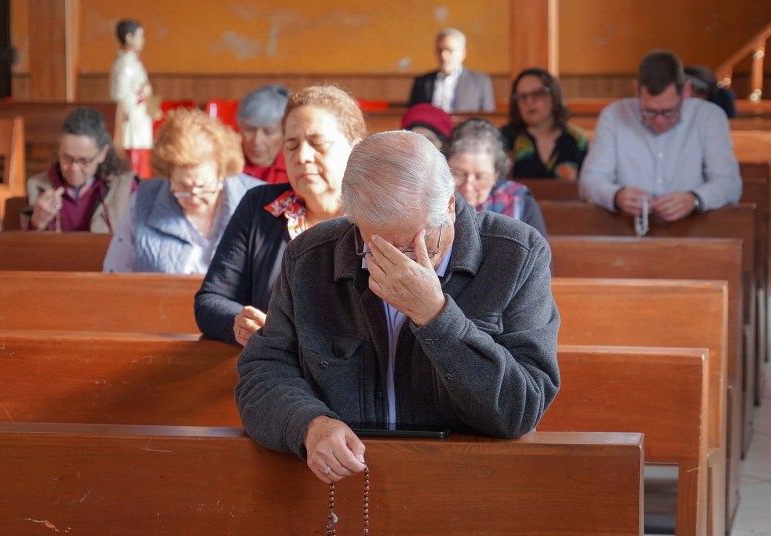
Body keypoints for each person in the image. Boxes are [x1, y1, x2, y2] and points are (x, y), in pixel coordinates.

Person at [235, 130, 560, 483]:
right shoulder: (310, 256)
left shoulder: (517, 255)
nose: (398, 263)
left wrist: (436, 316)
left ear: (449, 207)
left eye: (412, 246)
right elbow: (263, 373)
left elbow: (520, 409)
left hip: (471, 482)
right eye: (376, 247)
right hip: (343, 486)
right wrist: (309, 424)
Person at [195, 85, 366, 346]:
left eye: (318, 144)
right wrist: (239, 323)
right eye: (292, 145)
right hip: (272, 365)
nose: (302, 156)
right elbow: (210, 300)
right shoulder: (259, 207)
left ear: (356, 148)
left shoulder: (379, 216)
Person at [579, 50, 742, 222]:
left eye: (669, 111)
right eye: (649, 111)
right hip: (625, 227)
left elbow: (729, 183)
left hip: (694, 226)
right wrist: (616, 196)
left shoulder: (709, 117)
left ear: (686, 91)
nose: (659, 121)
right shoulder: (614, 115)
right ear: (636, 91)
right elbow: (590, 180)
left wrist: (694, 199)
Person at [103, 108, 259, 273]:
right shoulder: (142, 201)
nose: (194, 197)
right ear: (168, 176)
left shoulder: (257, 200)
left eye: (203, 187)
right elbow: (115, 271)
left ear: (222, 176)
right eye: (183, 186)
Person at [24, 107, 136, 232]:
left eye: (84, 161)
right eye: (66, 158)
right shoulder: (38, 186)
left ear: (102, 154)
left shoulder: (125, 187)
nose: (74, 168)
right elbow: (19, 241)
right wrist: (37, 222)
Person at [446, 118, 547, 237]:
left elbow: (537, 248)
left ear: (495, 175)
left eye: (480, 177)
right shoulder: (433, 199)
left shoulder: (519, 200)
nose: (468, 187)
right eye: (459, 174)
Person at [500, 68, 588, 180]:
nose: (529, 101)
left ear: (554, 96)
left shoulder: (575, 138)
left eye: (537, 94)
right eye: (522, 97)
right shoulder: (503, 138)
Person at [408, 28, 495, 113]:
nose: (443, 55)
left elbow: (487, 116)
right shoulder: (422, 82)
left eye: (449, 50)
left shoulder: (479, 81)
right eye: (439, 50)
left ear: (463, 53)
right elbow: (412, 114)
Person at [110, 19, 153, 179]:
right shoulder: (125, 64)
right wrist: (142, 94)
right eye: (140, 36)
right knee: (134, 167)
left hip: (139, 119)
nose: (143, 40)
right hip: (131, 122)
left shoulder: (134, 61)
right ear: (129, 37)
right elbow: (120, 95)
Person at [237, 84, 291, 184]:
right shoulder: (227, 166)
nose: (257, 141)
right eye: (250, 129)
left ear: (286, 132)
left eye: (268, 132)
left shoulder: (296, 169)